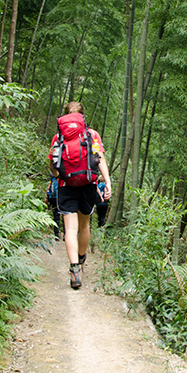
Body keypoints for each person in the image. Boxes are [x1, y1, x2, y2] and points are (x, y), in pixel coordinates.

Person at [48, 101, 112, 289]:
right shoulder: (91, 135)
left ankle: (74, 267)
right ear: (83, 116)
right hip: (88, 184)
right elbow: (99, 159)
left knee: (70, 229)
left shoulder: (58, 137)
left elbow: (53, 166)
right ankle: (82, 261)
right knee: (84, 226)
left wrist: (58, 175)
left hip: (66, 184)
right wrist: (107, 182)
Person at [44, 175, 62, 240]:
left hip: (53, 199)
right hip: (61, 198)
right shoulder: (62, 177)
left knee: (56, 217)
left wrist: (46, 198)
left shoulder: (52, 178)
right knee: (65, 216)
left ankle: (56, 235)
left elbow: (48, 189)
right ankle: (65, 235)